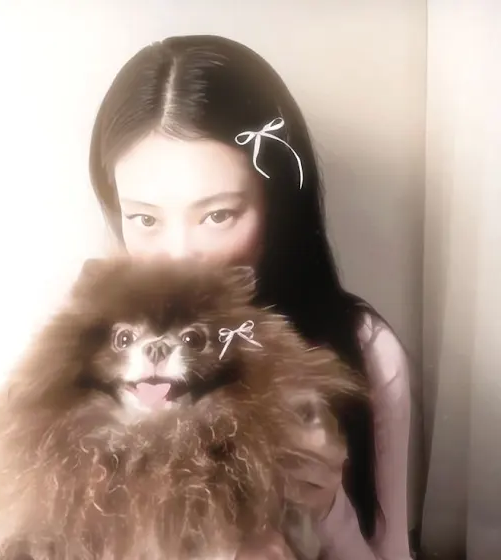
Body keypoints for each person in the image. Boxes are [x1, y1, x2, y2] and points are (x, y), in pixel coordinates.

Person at [89, 34, 413, 560]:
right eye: (145, 219)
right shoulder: (94, 353)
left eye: (217, 215)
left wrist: (329, 512)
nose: (180, 259)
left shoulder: (364, 350)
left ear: (276, 205)